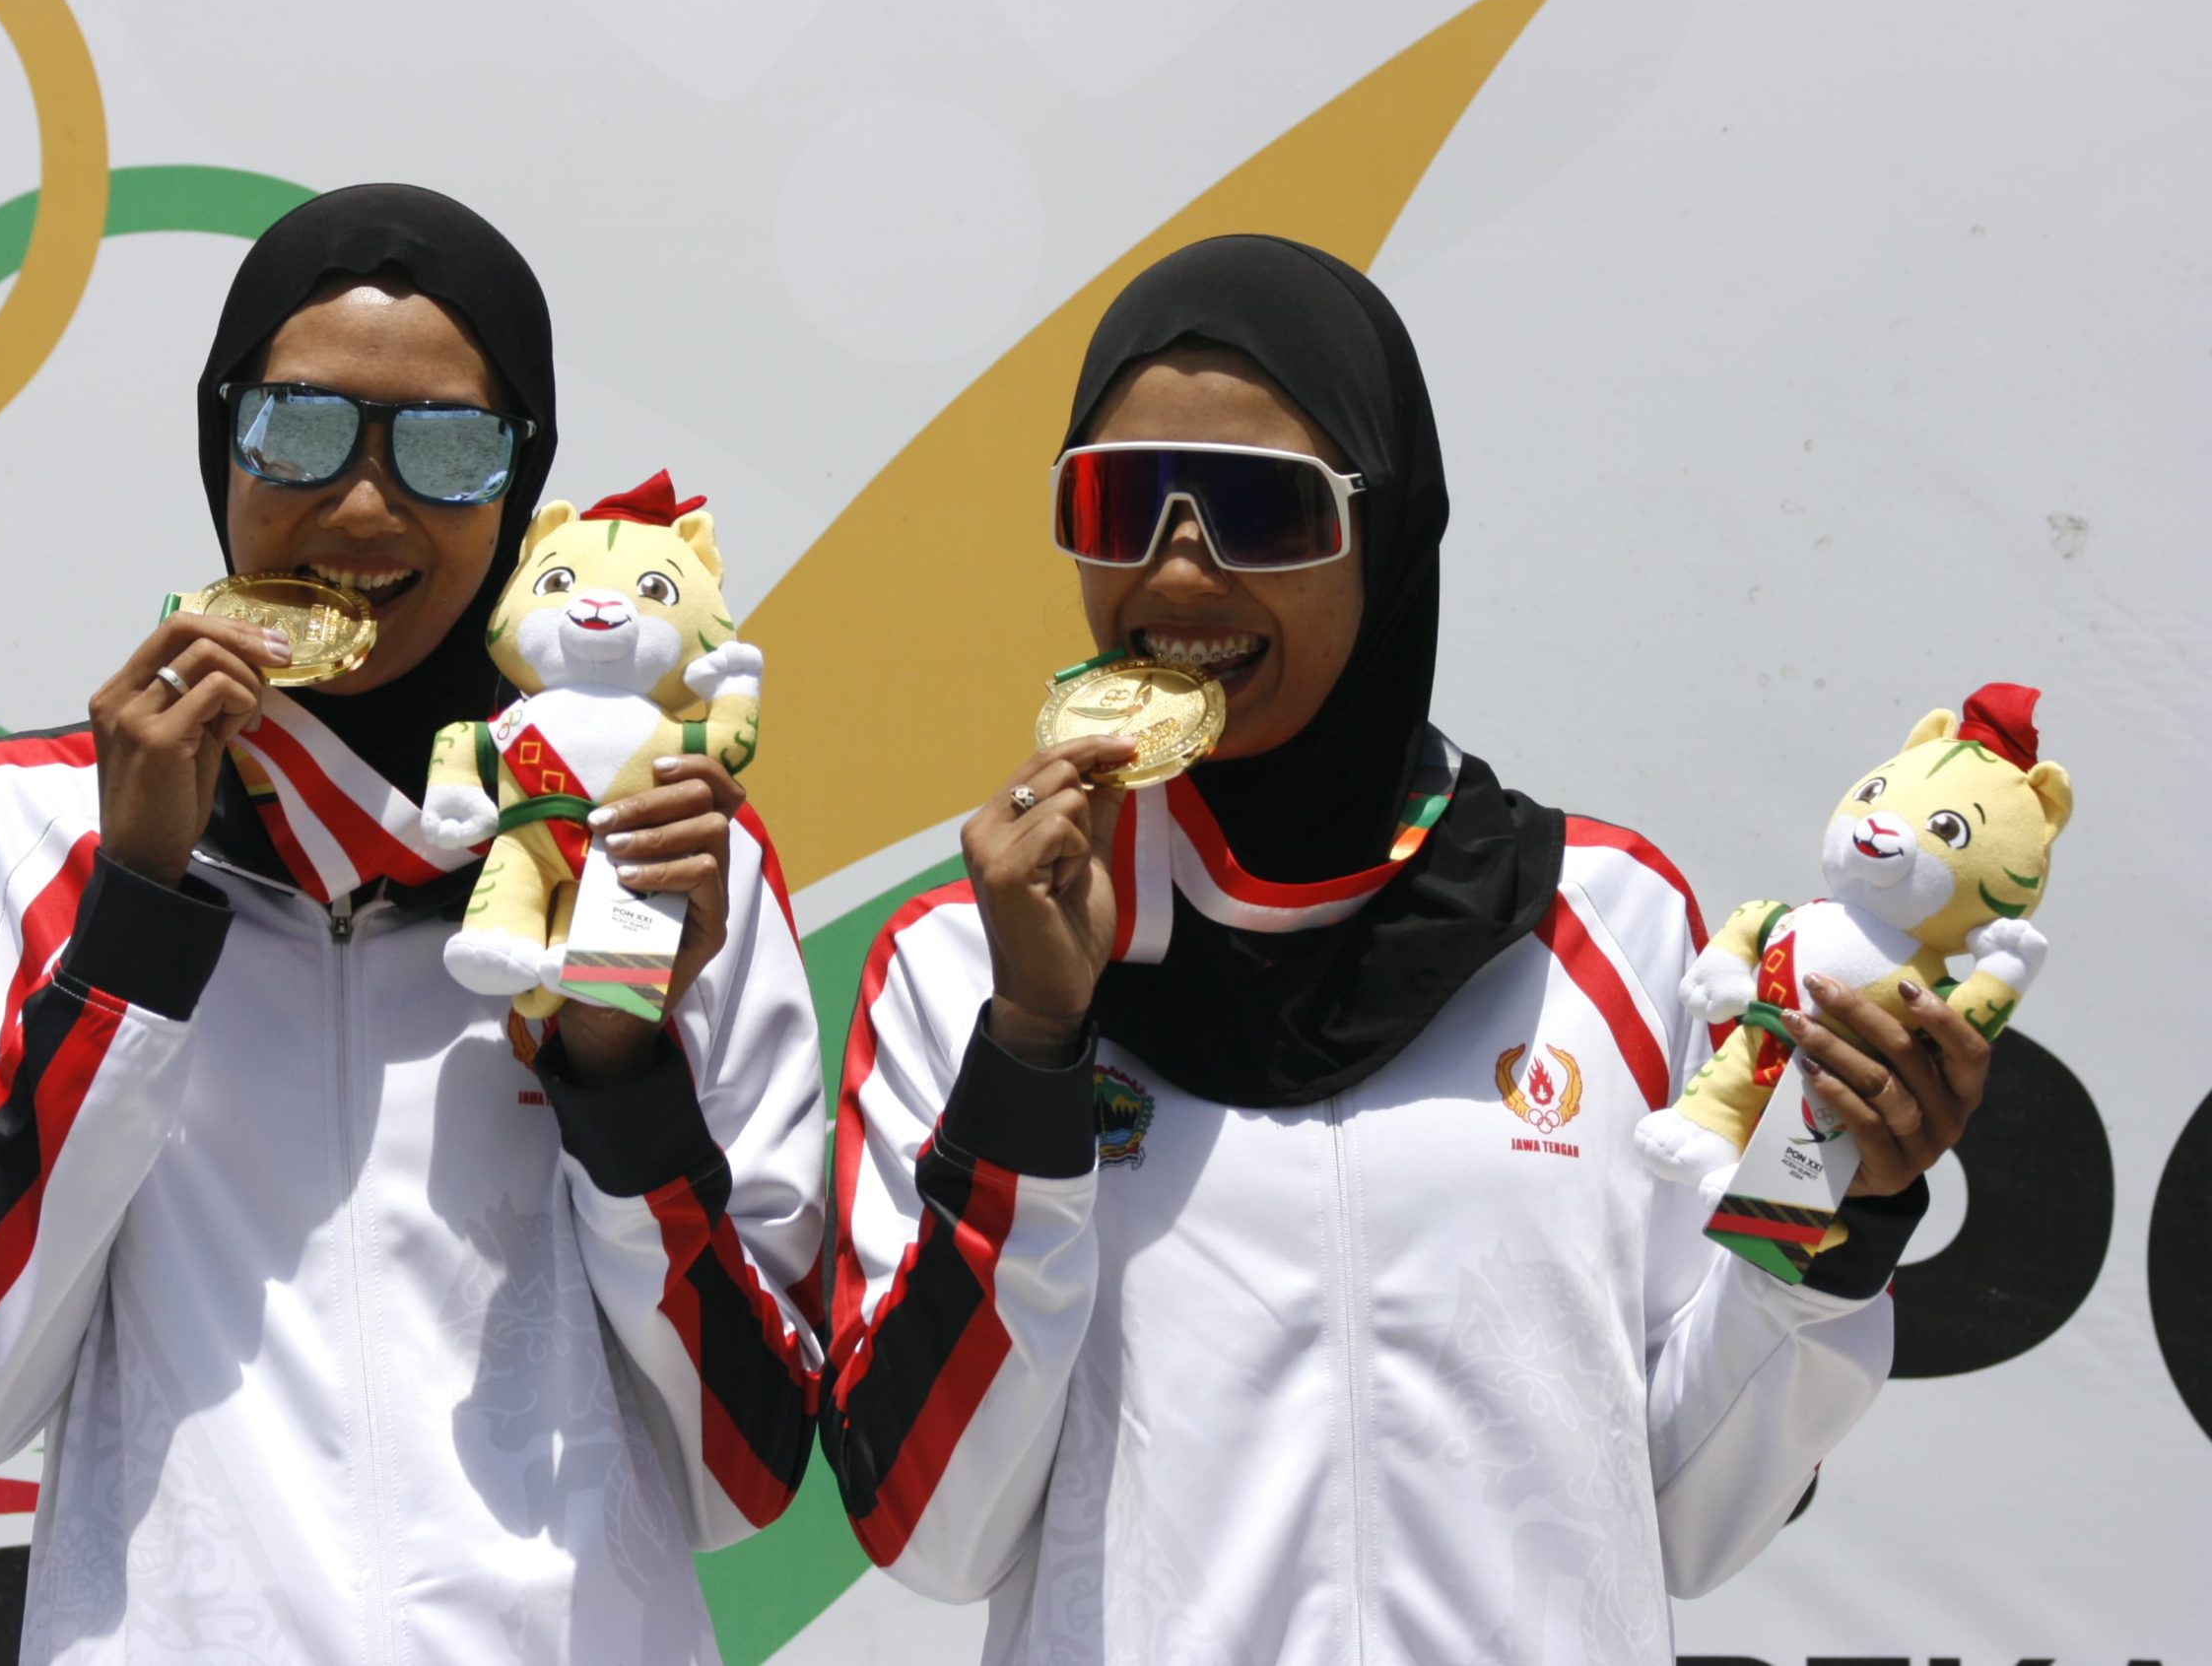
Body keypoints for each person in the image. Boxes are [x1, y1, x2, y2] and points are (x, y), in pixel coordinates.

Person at [822, 235, 1974, 1663]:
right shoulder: (966, 963)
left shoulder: (1602, 922)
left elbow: (1683, 1507)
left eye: (1260, 507)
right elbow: (934, 1531)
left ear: (1392, 526)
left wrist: (1831, 1188)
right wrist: (1036, 1054)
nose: (1178, 565)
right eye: (1119, 503)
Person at [0, 185, 824, 1663]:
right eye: (297, 429)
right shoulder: (10, 832)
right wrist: (134, 925)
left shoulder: (659, 853)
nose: (362, 506)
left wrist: (619, 1072)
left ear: (523, 487)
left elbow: (745, 1472)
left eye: (444, 447)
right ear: (215, 436)